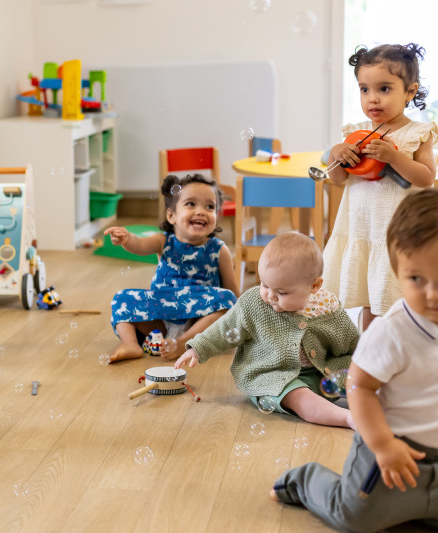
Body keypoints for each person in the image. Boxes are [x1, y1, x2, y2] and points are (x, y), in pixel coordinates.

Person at [271, 189, 438, 531]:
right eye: (416, 278)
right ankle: (305, 481)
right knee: (356, 518)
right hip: (391, 447)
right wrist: (382, 443)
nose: (432, 294)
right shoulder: (393, 331)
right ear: (397, 271)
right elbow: (359, 386)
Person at [176, 232, 358, 429]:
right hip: (273, 376)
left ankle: (381, 407)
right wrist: (198, 348)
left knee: (364, 379)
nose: (270, 295)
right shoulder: (254, 303)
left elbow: (350, 339)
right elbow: (224, 328)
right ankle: (347, 418)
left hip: (322, 370)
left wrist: (366, 366)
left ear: (314, 286)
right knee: (299, 398)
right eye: (264, 284)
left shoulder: (326, 306)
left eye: (282, 292)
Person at [322, 43, 437, 331]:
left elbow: (426, 179)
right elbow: (337, 179)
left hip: (398, 236)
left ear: (410, 91)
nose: (372, 99)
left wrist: (394, 157)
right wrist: (337, 154)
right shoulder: (355, 134)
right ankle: (369, 359)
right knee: (370, 302)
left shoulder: (418, 133)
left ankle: (406, 358)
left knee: (403, 301)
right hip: (364, 231)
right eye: (364, 89)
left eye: (384, 89)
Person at [106, 173, 238, 363]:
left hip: (198, 321)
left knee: (228, 300)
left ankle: (184, 342)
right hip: (161, 315)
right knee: (121, 298)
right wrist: (127, 239)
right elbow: (140, 245)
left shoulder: (219, 250)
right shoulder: (163, 241)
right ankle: (130, 343)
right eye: (191, 204)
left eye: (210, 206)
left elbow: (232, 292)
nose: (201, 211)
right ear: (171, 215)